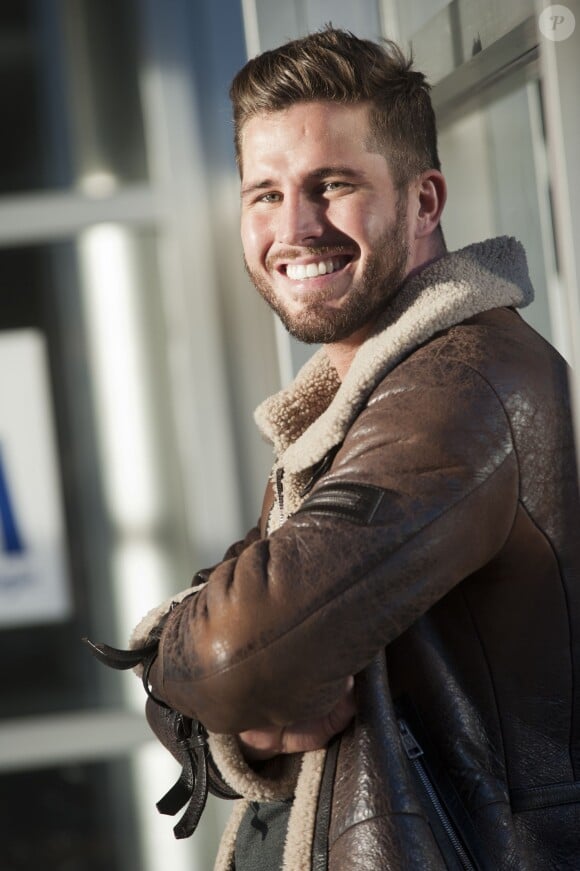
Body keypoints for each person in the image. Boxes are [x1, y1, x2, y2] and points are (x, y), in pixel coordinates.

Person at [128, 27, 580, 871]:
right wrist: (231, 696)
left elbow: (234, 651)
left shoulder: (459, 387)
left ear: (424, 201)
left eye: (330, 185)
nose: (293, 228)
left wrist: (190, 661)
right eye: (263, 193)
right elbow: (239, 656)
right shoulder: (356, 399)